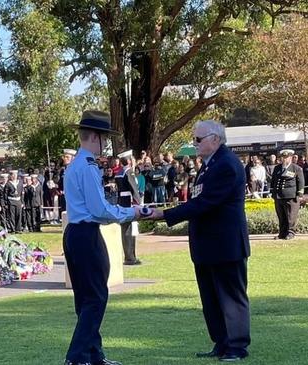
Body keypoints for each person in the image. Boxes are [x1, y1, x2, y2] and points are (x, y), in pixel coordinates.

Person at [149, 120, 251, 362]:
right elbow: (199, 200)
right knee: (211, 297)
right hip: (208, 245)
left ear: (215, 139)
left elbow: (205, 203)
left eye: (198, 139)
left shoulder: (226, 164)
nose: (194, 144)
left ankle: (236, 346)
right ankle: (222, 342)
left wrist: (164, 214)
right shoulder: (208, 166)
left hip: (225, 244)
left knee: (231, 297)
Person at [63, 110, 142, 365]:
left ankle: (93, 355)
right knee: (95, 298)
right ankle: (77, 357)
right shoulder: (87, 167)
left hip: (76, 233)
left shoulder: (76, 164)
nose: (106, 143)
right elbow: (99, 210)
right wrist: (132, 212)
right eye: (105, 138)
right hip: (86, 233)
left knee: (86, 298)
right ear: (95, 137)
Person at [270, 149, 304, 240]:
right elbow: (273, 181)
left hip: (291, 196)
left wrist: (300, 194)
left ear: (291, 157)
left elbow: (300, 182)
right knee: (281, 216)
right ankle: (282, 233)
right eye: (283, 157)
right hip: (278, 195)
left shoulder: (296, 168)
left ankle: (291, 233)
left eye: (286, 157)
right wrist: (272, 192)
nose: (284, 159)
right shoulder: (277, 168)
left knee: (291, 216)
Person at [116, 150, 141, 265]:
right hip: (130, 203)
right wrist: (139, 203)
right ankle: (131, 257)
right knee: (130, 230)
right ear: (130, 161)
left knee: (125, 230)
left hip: (122, 202)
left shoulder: (119, 172)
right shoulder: (129, 172)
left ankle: (129, 256)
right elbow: (134, 189)